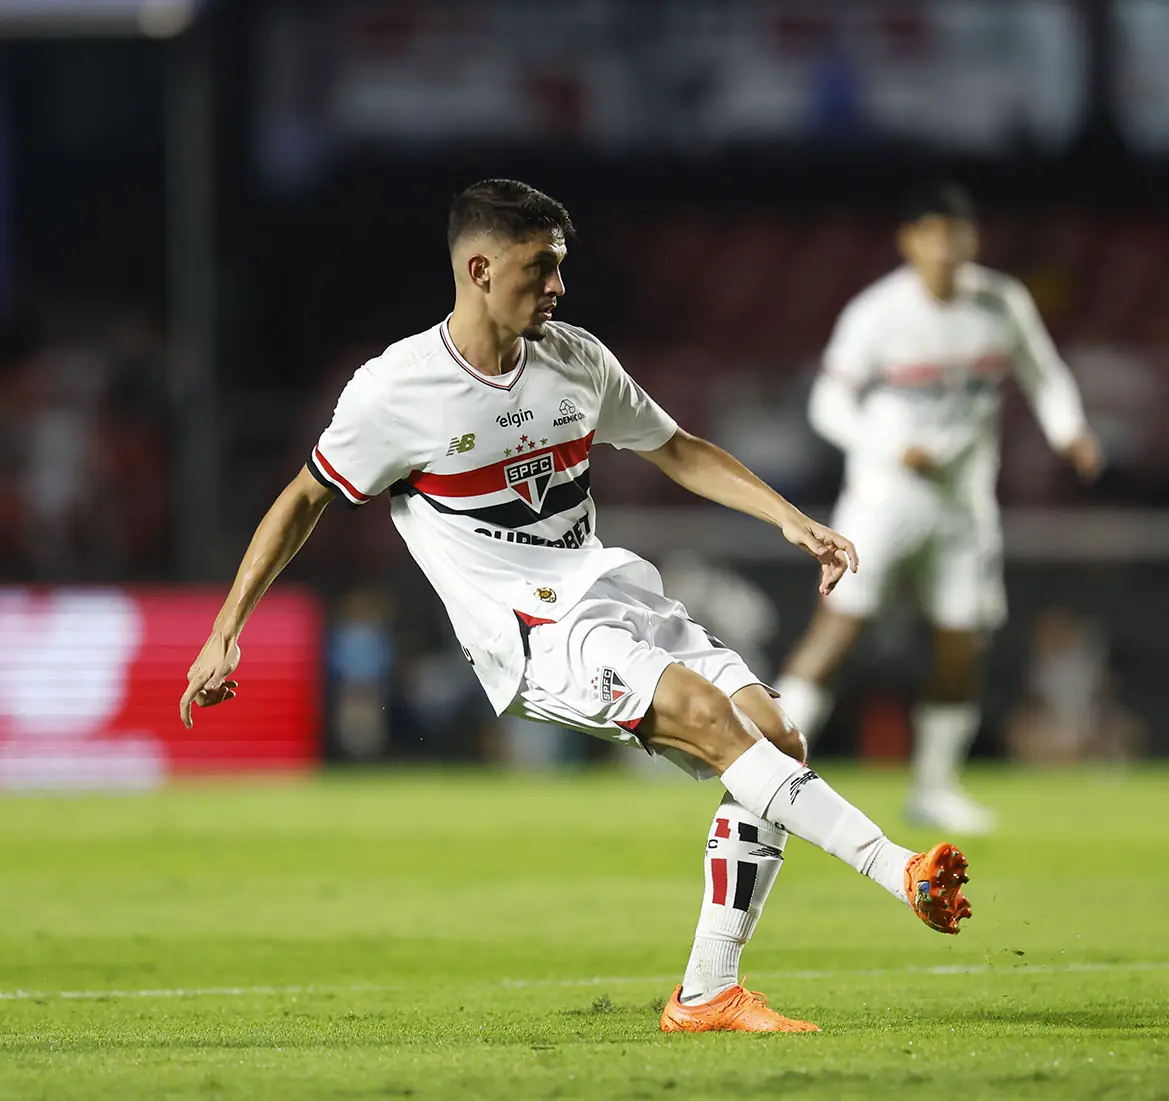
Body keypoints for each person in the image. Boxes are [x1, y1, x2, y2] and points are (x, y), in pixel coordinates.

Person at [178, 180, 970, 1034]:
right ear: (480, 269)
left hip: (607, 589)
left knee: (775, 735)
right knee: (710, 717)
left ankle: (708, 990)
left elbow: (676, 448)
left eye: (561, 265)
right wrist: (226, 631)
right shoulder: (395, 391)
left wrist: (790, 518)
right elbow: (304, 498)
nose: (559, 285)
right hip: (528, 631)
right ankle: (899, 870)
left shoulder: (576, 359)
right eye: (540, 266)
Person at [774, 183, 1103, 834]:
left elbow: (1042, 371)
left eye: (957, 232)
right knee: (838, 630)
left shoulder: (1001, 302)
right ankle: (770, 773)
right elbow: (827, 404)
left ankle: (933, 786)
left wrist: (1070, 430)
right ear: (910, 241)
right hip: (885, 497)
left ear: (973, 238)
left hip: (964, 502)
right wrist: (892, 448)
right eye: (933, 232)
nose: (946, 246)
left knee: (962, 641)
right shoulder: (879, 312)